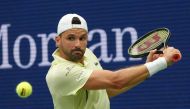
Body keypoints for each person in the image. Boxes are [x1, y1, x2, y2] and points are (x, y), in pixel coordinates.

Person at [46, 13, 182, 109]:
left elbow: (107, 91)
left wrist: (148, 66)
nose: (78, 44)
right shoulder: (59, 73)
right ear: (58, 40)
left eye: (82, 38)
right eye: (71, 38)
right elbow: (115, 81)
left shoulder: (87, 53)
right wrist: (162, 62)